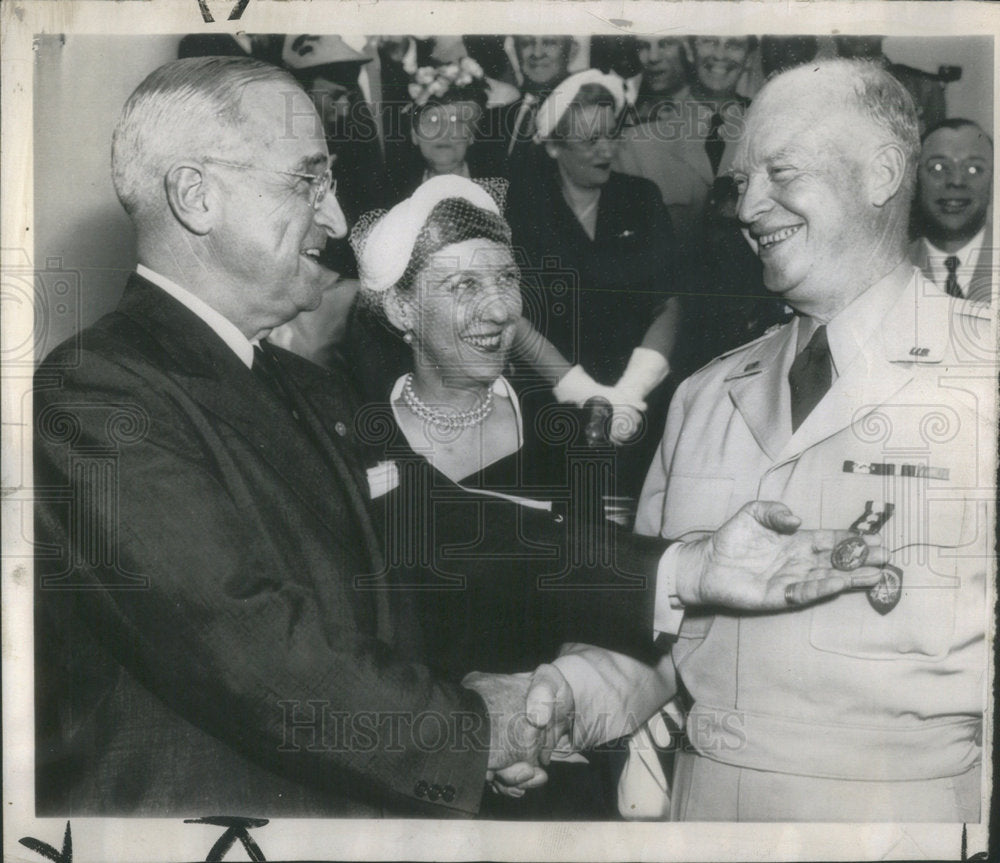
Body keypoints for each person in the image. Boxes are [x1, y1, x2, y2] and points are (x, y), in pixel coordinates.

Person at [34, 56, 888, 819]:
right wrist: (475, 733)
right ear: (196, 195)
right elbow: (246, 647)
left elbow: (447, 527)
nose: (333, 215)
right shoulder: (102, 390)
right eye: (307, 180)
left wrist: (684, 567)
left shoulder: (300, 386)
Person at [628, 58, 994, 821]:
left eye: (780, 171)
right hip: (702, 807)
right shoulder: (700, 396)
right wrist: (573, 688)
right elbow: (656, 625)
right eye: (739, 183)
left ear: (883, 171)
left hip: (899, 816)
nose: (748, 206)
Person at [507, 70, 681, 502]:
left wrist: (629, 393)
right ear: (552, 145)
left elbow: (670, 302)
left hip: (639, 401)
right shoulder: (520, 205)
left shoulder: (641, 198)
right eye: (589, 141)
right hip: (550, 403)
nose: (607, 150)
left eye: (611, 134)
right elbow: (512, 313)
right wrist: (578, 391)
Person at [909, 118, 993, 305]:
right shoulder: (890, 272)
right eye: (938, 167)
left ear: (994, 181)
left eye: (973, 169)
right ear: (915, 179)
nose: (956, 181)